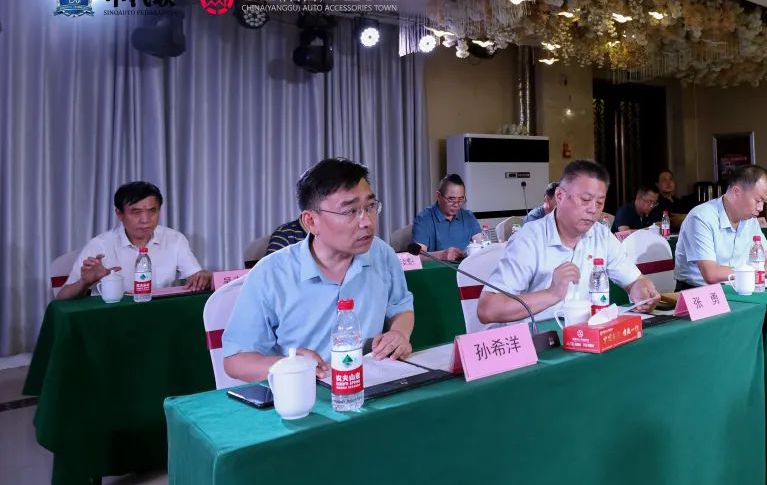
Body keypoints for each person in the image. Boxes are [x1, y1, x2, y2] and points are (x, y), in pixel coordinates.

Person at [222, 158, 415, 383]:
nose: (367, 222)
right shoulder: (271, 273)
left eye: (370, 206)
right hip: (303, 391)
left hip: (369, 385)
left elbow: (401, 306)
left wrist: (399, 333)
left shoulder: (382, 254)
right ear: (311, 221)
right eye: (350, 211)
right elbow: (235, 360)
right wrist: (289, 365)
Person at [476, 159, 660, 324]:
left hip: (586, 335)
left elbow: (635, 280)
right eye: (585, 199)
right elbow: (488, 309)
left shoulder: (601, 235)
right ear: (559, 196)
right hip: (538, 340)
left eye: (599, 203)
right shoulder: (529, 239)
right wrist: (551, 293)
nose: (593, 210)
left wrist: (642, 291)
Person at [57, 181, 211, 300]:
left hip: (159, 315)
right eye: (136, 212)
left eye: (152, 211)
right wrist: (85, 282)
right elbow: (61, 297)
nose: (145, 220)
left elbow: (195, 277)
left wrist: (202, 278)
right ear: (119, 214)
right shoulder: (100, 245)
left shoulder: (175, 239)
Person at [674, 165, 767, 289]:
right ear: (736, 191)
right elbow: (711, 274)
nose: (761, 208)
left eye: (764, 202)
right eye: (758, 200)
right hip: (698, 292)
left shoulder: (750, 220)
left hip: (739, 285)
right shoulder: (701, 217)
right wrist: (759, 272)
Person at [410, 173, 483, 262]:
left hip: (465, 267)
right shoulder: (424, 219)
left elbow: (482, 244)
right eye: (451, 199)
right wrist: (442, 255)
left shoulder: (468, 216)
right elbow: (418, 256)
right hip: (438, 268)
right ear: (438, 196)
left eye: (461, 199)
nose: (456, 204)